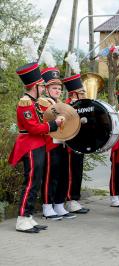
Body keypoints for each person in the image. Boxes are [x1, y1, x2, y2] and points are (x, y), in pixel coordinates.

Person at [9, 62, 63, 233]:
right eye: (41, 85)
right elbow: (32, 127)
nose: (43, 88)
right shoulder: (25, 103)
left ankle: (29, 216)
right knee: (31, 182)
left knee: (36, 182)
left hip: (37, 144)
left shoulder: (34, 102)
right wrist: (53, 124)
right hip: (30, 145)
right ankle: (22, 219)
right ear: (35, 86)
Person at [40, 65, 76, 220]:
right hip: (50, 144)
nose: (58, 91)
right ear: (47, 89)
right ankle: (47, 206)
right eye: (54, 88)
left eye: (59, 88)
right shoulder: (43, 102)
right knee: (50, 175)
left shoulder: (60, 103)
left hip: (62, 143)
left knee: (63, 175)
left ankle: (59, 204)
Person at [63, 73, 90, 214]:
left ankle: (75, 199)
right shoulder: (67, 107)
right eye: (82, 92)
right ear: (74, 94)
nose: (84, 94)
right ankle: (70, 199)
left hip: (80, 142)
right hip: (70, 144)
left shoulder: (82, 105)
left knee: (77, 171)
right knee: (71, 172)